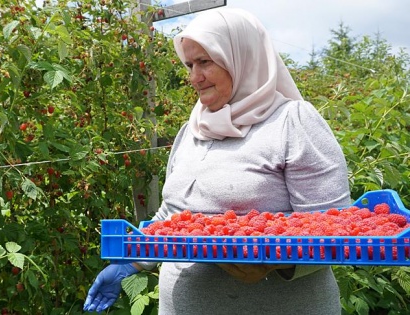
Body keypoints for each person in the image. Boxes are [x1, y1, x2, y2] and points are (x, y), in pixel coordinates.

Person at [84, 7, 350, 315]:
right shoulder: (193, 129)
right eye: (189, 64)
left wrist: (281, 263)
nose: (193, 77)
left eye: (204, 62)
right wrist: (131, 261)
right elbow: (176, 213)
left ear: (240, 57)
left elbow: (335, 228)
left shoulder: (293, 122)